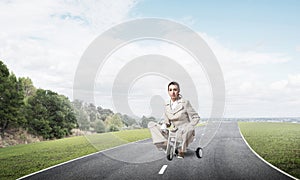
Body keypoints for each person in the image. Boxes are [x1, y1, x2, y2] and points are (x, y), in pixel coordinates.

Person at [148, 81, 200, 158]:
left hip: (184, 132)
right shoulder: (166, 104)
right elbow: (167, 121)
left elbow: (196, 117)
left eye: (175, 90)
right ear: (168, 92)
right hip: (172, 132)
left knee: (189, 129)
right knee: (151, 124)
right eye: (170, 90)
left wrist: (188, 126)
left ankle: (181, 150)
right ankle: (164, 143)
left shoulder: (185, 103)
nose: (173, 92)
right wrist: (164, 125)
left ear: (178, 91)